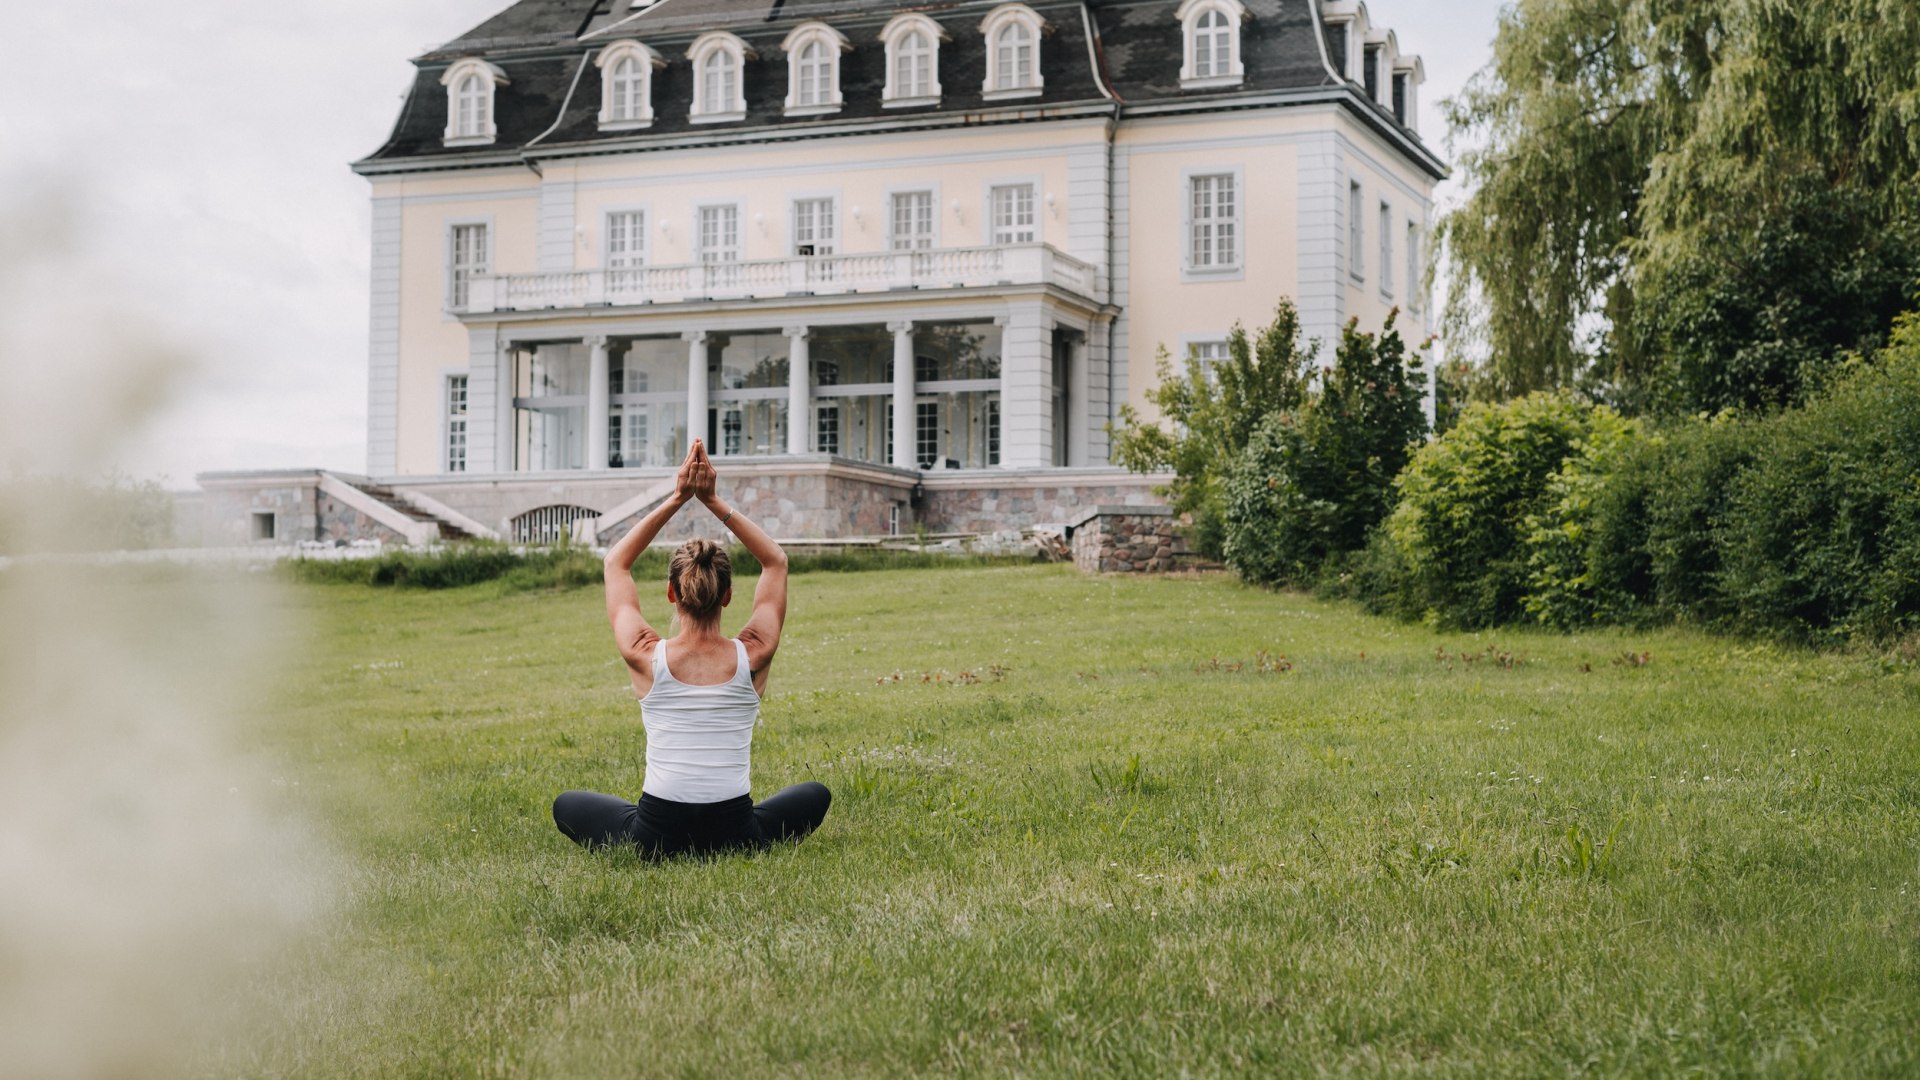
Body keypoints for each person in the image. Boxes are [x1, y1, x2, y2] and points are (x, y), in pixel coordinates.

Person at [551, 439, 830, 859]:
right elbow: (776, 562)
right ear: (728, 595)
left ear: (670, 593)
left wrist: (678, 497)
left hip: (655, 837)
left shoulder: (644, 654)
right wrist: (714, 502)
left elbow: (616, 564)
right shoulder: (755, 654)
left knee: (566, 804)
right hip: (736, 834)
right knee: (815, 794)